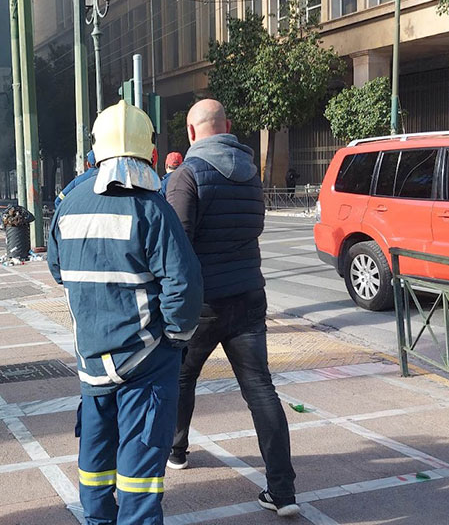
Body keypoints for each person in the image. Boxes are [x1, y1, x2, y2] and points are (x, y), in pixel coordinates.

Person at [48, 100, 203, 525]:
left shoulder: (68, 202)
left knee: (95, 454)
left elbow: (58, 271)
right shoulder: (152, 207)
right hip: (145, 359)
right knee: (140, 463)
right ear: (150, 154)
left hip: (91, 359)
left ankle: (98, 520)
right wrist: (174, 339)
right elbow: (184, 288)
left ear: (94, 152)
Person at [165, 99, 299, 517]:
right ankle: (283, 491)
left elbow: (176, 247)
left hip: (204, 304)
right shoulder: (251, 175)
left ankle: (178, 449)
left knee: (182, 379)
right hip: (248, 297)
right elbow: (255, 226)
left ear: (191, 132)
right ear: (227, 126)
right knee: (261, 390)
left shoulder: (187, 176)